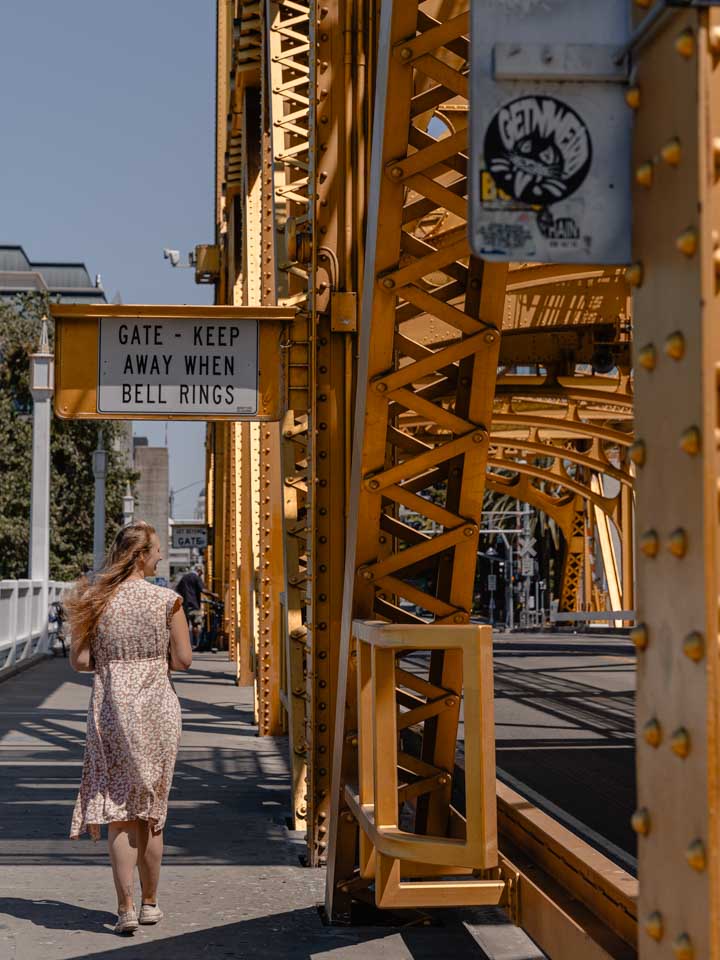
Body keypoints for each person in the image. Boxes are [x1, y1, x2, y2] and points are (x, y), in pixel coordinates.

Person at [66, 520, 192, 936]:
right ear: (141, 555)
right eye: (156, 550)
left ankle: (125, 909)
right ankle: (151, 904)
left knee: (119, 813)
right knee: (152, 813)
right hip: (157, 709)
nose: (159, 556)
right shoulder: (167, 601)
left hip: (110, 711)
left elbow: (81, 662)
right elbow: (185, 660)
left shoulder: (94, 600)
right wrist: (149, 662)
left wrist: (116, 666)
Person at [174, 564, 216, 649]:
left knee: (185, 626)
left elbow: (177, 590)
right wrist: (213, 594)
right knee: (196, 625)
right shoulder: (196, 578)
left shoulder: (184, 578)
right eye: (201, 573)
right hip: (194, 605)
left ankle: (185, 644)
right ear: (199, 571)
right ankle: (195, 644)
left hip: (185, 606)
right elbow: (202, 590)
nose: (201, 575)